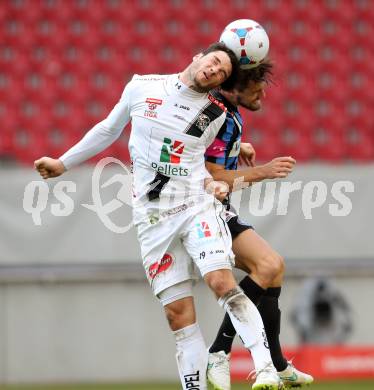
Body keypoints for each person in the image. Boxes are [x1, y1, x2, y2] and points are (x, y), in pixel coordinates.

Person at [34, 43, 282, 390]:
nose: (215, 70)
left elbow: (203, 156)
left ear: (219, 83)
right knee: (177, 315)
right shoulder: (142, 86)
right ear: (198, 57)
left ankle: (266, 368)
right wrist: (62, 163)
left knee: (221, 283)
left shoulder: (215, 114)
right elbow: (108, 130)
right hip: (152, 217)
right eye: (213, 62)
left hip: (196, 205)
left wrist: (222, 175)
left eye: (223, 72)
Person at [204, 61, 314, 389]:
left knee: (274, 267)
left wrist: (238, 148)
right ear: (233, 88)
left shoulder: (223, 110)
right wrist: (262, 171)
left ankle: (278, 365)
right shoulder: (221, 115)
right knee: (268, 264)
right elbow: (210, 177)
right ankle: (219, 350)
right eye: (255, 86)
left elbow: (205, 154)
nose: (263, 92)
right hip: (203, 210)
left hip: (217, 206)